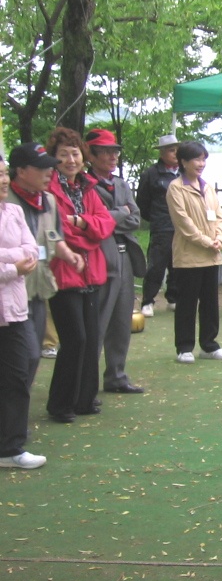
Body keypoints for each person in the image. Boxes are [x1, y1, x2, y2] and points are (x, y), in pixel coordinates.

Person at [45, 127, 116, 423]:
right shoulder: (49, 189)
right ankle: (60, 403)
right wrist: (87, 229)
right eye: (63, 154)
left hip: (91, 271)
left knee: (91, 338)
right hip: (63, 271)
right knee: (74, 338)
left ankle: (85, 399)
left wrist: (82, 223)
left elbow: (106, 223)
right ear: (54, 158)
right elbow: (57, 229)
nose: (71, 160)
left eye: (75, 153)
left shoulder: (87, 186)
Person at [7, 143, 84, 386]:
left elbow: (54, 236)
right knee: (24, 356)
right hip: (10, 290)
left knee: (31, 358)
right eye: (41, 168)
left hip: (38, 288)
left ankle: (18, 408)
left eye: (50, 167)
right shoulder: (5, 200)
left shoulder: (48, 199)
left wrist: (68, 254)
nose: (49, 172)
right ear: (21, 171)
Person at [85, 129, 147, 394]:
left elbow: (136, 219)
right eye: (106, 151)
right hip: (100, 256)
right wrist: (120, 213)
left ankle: (116, 375)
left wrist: (111, 218)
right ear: (91, 155)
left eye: (115, 151)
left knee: (122, 319)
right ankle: (85, 381)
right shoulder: (85, 184)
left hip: (125, 255)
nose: (113, 156)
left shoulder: (120, 184)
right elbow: (93, 223)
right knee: (98, 319)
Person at [0, 151, 47, 468]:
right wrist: (12, 266)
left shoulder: (14, 211)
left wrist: (10, 260)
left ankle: (11, 447)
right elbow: (19, 260)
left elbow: (31, 251)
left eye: (4, 174)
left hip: (14, 307)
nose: (4, 181)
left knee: (21, 368)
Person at [166, 141, 222, 364]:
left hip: (212, 256)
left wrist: (220, 238)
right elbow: (183, 223)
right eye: (197, 159)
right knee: (187, 303)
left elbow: (219, 217)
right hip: (188, 257)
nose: (201, 164)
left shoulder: (208, 187)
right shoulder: (176, 188)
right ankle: (184, 347)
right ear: (183, 162)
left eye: (204, 159)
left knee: (210, 303)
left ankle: (209, 345)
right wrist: (206, 241)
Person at [136, 134, 180, 317]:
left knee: (178, 264)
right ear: (162, 153)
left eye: (177, 150)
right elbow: (142, 202)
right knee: (156, 265)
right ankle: (148, 301)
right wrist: (156, 218)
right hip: (161, 225)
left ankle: (174, 298)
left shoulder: (184, 172)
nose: (175, 154)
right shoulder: (151, 174)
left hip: (182, 227)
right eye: (171, 150)